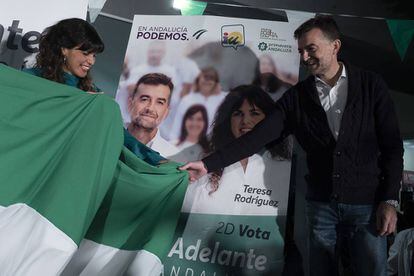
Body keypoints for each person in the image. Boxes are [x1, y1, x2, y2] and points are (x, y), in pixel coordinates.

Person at [181, 15, 404, 276]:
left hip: (367, 206)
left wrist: (389, 200)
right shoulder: (296, 97)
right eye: (301, 51)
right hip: (321, 207)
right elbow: (256, 138)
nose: (305, 57)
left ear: (335, 46)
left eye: (311, 48)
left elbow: (392, 147)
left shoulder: (371, 85)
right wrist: (208, 164)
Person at [182, 85, 292, 215]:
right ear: (228, 120)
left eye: (255, 113)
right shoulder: (205, 165)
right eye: (238, 114)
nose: (245, 121)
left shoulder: (284, 169)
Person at [23, 18, 103, 93]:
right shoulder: (31, 78)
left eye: (94, 55)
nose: (91, 62)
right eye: (85, 53)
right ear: (64, 49)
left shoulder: (93, 91)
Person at [126, 72, 179, 158]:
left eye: (159, 102)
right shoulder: (107, 136)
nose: (150, 108)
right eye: (144, 99)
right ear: (130, 103)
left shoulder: (173, 157)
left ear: (166, 112)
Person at [170, 67, 227, 140]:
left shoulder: (222, 99)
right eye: (205, 77)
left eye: (211, 78)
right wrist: (173, 141)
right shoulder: (187, 99)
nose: (207, 81)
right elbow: (177, 125)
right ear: (198, 80)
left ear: (216, 82)